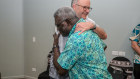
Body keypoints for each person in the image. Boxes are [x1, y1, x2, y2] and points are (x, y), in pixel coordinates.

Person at [49, 0, 107, 78]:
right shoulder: (62, 19)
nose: (87, 11)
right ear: (74, 6)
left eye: (88, 8)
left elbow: (104, 38)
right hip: (61, 69)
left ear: (68, 22)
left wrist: (84, 62)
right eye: (84, 7)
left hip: (68, 69)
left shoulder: (88, 25)